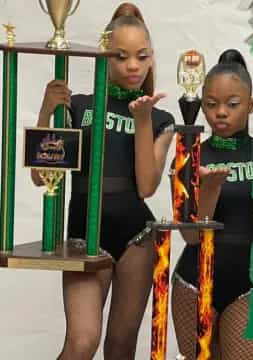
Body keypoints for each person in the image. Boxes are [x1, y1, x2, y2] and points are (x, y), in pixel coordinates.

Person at [31, 3, 174, 359]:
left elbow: (146, 187)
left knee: (121, 347)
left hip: (137, 237)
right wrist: (48, 111)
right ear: (104, 56)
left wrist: (142, 120)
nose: (132, 66)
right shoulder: (79, 106)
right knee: (82, 342)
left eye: (141, 57)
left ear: (151, 58)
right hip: (84, 234)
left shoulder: (160, 118)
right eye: (121, 56)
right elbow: (40, 174)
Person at [171, 49, 253, 359]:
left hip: (250, 283)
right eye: (211, 105)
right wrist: (209, 190)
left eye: (232, 104)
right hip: (194, 281)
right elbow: (190, 235)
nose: (220, 112)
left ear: (252, 104)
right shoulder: (189, 158)